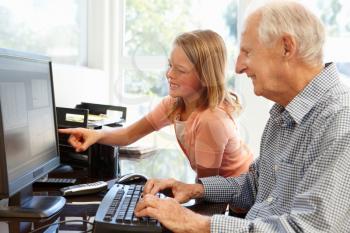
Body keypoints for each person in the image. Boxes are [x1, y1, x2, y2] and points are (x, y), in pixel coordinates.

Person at [134, 1, 350, 232]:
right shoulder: (283, 114)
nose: (238, 67)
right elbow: (255, 185)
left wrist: (194, 223)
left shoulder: (339, 120)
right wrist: (195, 189)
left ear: (286, 48)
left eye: (247, 52)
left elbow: (306, 229)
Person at [59, 30, 253, 179]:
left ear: (205, 77)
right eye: (170, 65)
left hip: (241, 200)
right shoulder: (175, 105)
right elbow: (128, 135)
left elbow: (206, 189)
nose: (169, 74)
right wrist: (96, 135)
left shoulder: (211, 119)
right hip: (218, 192)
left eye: (180, 70)